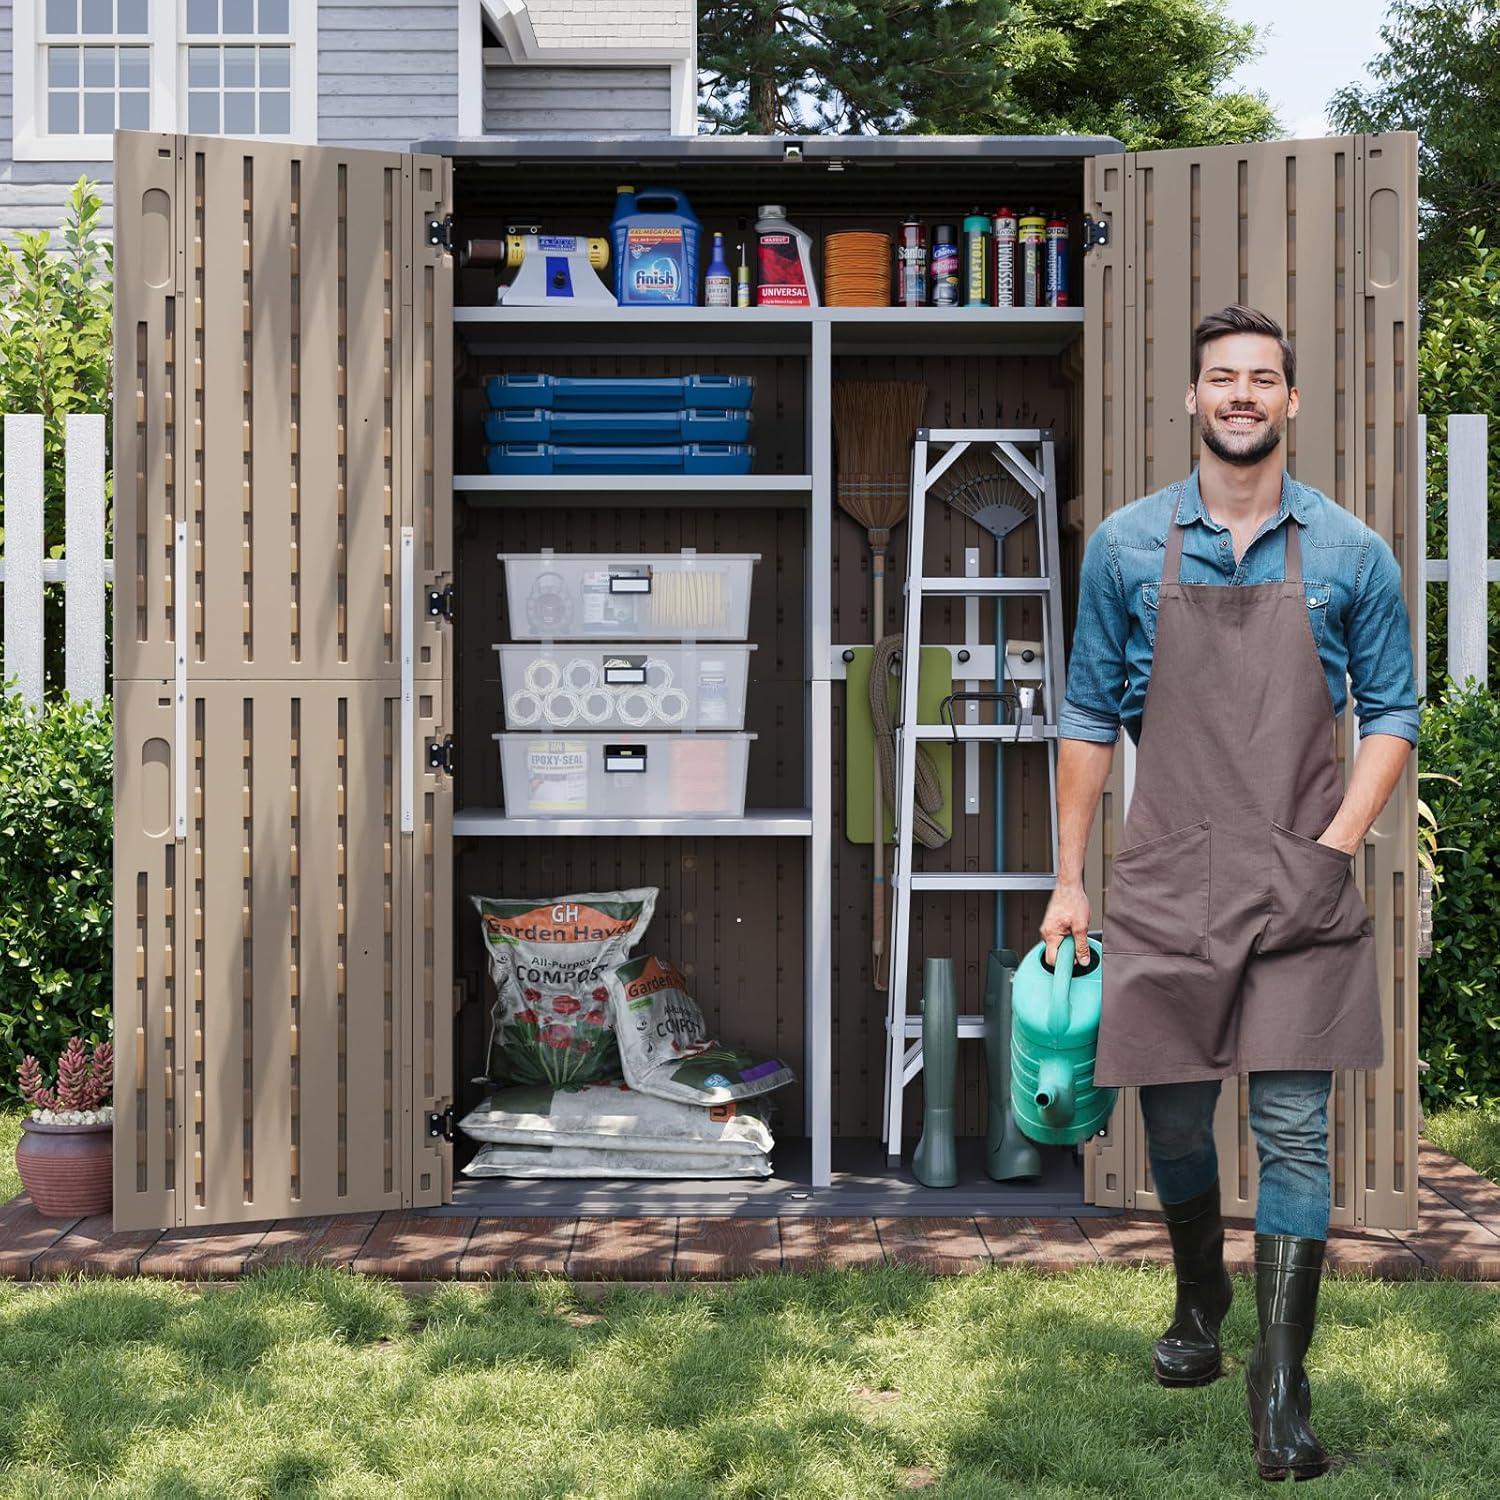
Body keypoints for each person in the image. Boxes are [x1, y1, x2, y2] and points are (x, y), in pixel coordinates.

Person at [1041, 305, 1417, 1482]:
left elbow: (1394, 710)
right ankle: (1200, 1294)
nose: (1242, 395)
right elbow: (1091, 717)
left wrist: (1338, 841)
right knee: (1169, 1123)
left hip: (1300, 882)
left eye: (1263, 379)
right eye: (1222, 379)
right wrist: (1069, 881)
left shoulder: (1352, 553)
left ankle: (1281, 1386)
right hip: (1167, 877)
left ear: (1291, 403)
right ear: (1193, 401)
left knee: (1295, 1130)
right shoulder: (1125, 548)